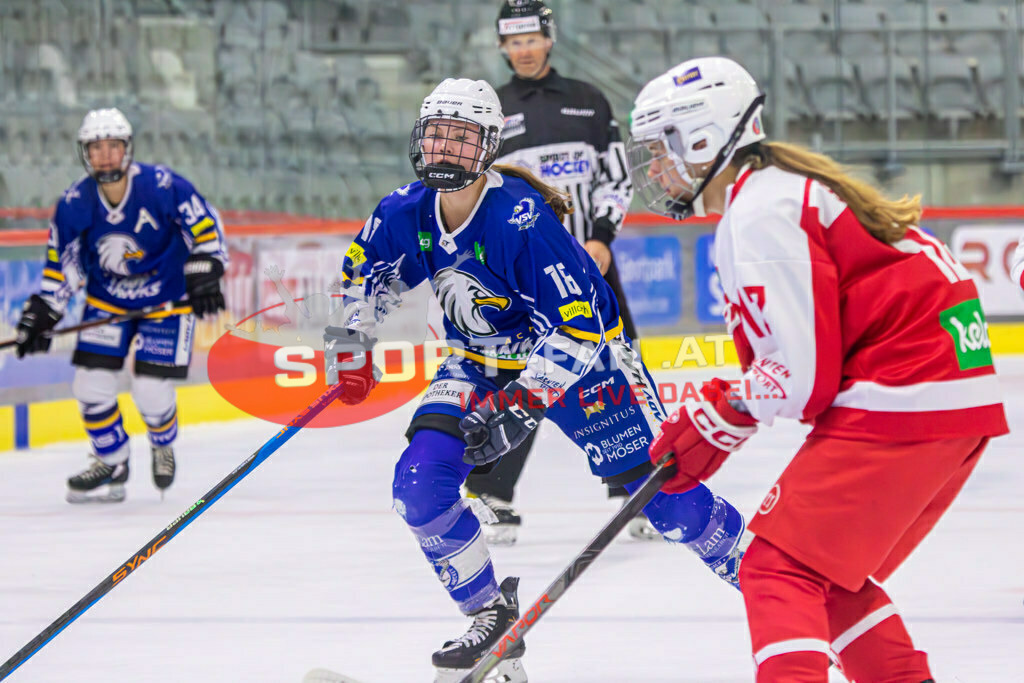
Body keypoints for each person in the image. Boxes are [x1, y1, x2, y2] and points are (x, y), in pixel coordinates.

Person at [327, 77, 748, 682]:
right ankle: (492, 624)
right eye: (437, 136)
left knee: (669, 504)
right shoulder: (401, 210)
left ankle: (772, 583)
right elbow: (362, 278)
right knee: (419, 488)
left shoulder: (520, 219)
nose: (445, 149)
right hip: (479, 360)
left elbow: (582, 328)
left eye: (461, 138)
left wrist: (523, 403)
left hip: (589, 364)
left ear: (489, 146)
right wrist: (350, 343)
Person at [627, 57, 1009, 682]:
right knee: (828, 579)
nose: (657, 168)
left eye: (664, 147)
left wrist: (713, 418)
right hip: (942, 393)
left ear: (704, 138)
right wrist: (722, 418)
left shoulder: (760, 211)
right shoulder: (772, 193)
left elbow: (801, 377)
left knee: (776, 567)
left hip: (908, 389)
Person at [463, 0, 653, 545]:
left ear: (548, 39)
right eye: (512, 41)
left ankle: (634, 489)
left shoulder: (588, 102)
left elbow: (617, 178)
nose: (523, 49)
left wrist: (601, 237)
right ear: (502, 46)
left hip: (589, 263)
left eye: (531, 38)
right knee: (520, 373)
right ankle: (493, 494)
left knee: (617, 372)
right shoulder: (491, 110)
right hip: (520, 273)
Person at [15, 108, 228, 503]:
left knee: (149, 388)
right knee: (88, 385)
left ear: (127, 149)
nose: (106, 155)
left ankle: (162, 442)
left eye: (113, 146)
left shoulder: (163, 186)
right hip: (107, 302)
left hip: (166, 301)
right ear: (85, 154)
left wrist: (206, 268)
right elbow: (61, 268)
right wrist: (43, 314)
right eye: (96, 148)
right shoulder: (74, 203)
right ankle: (112, 460)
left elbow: (206, 228)